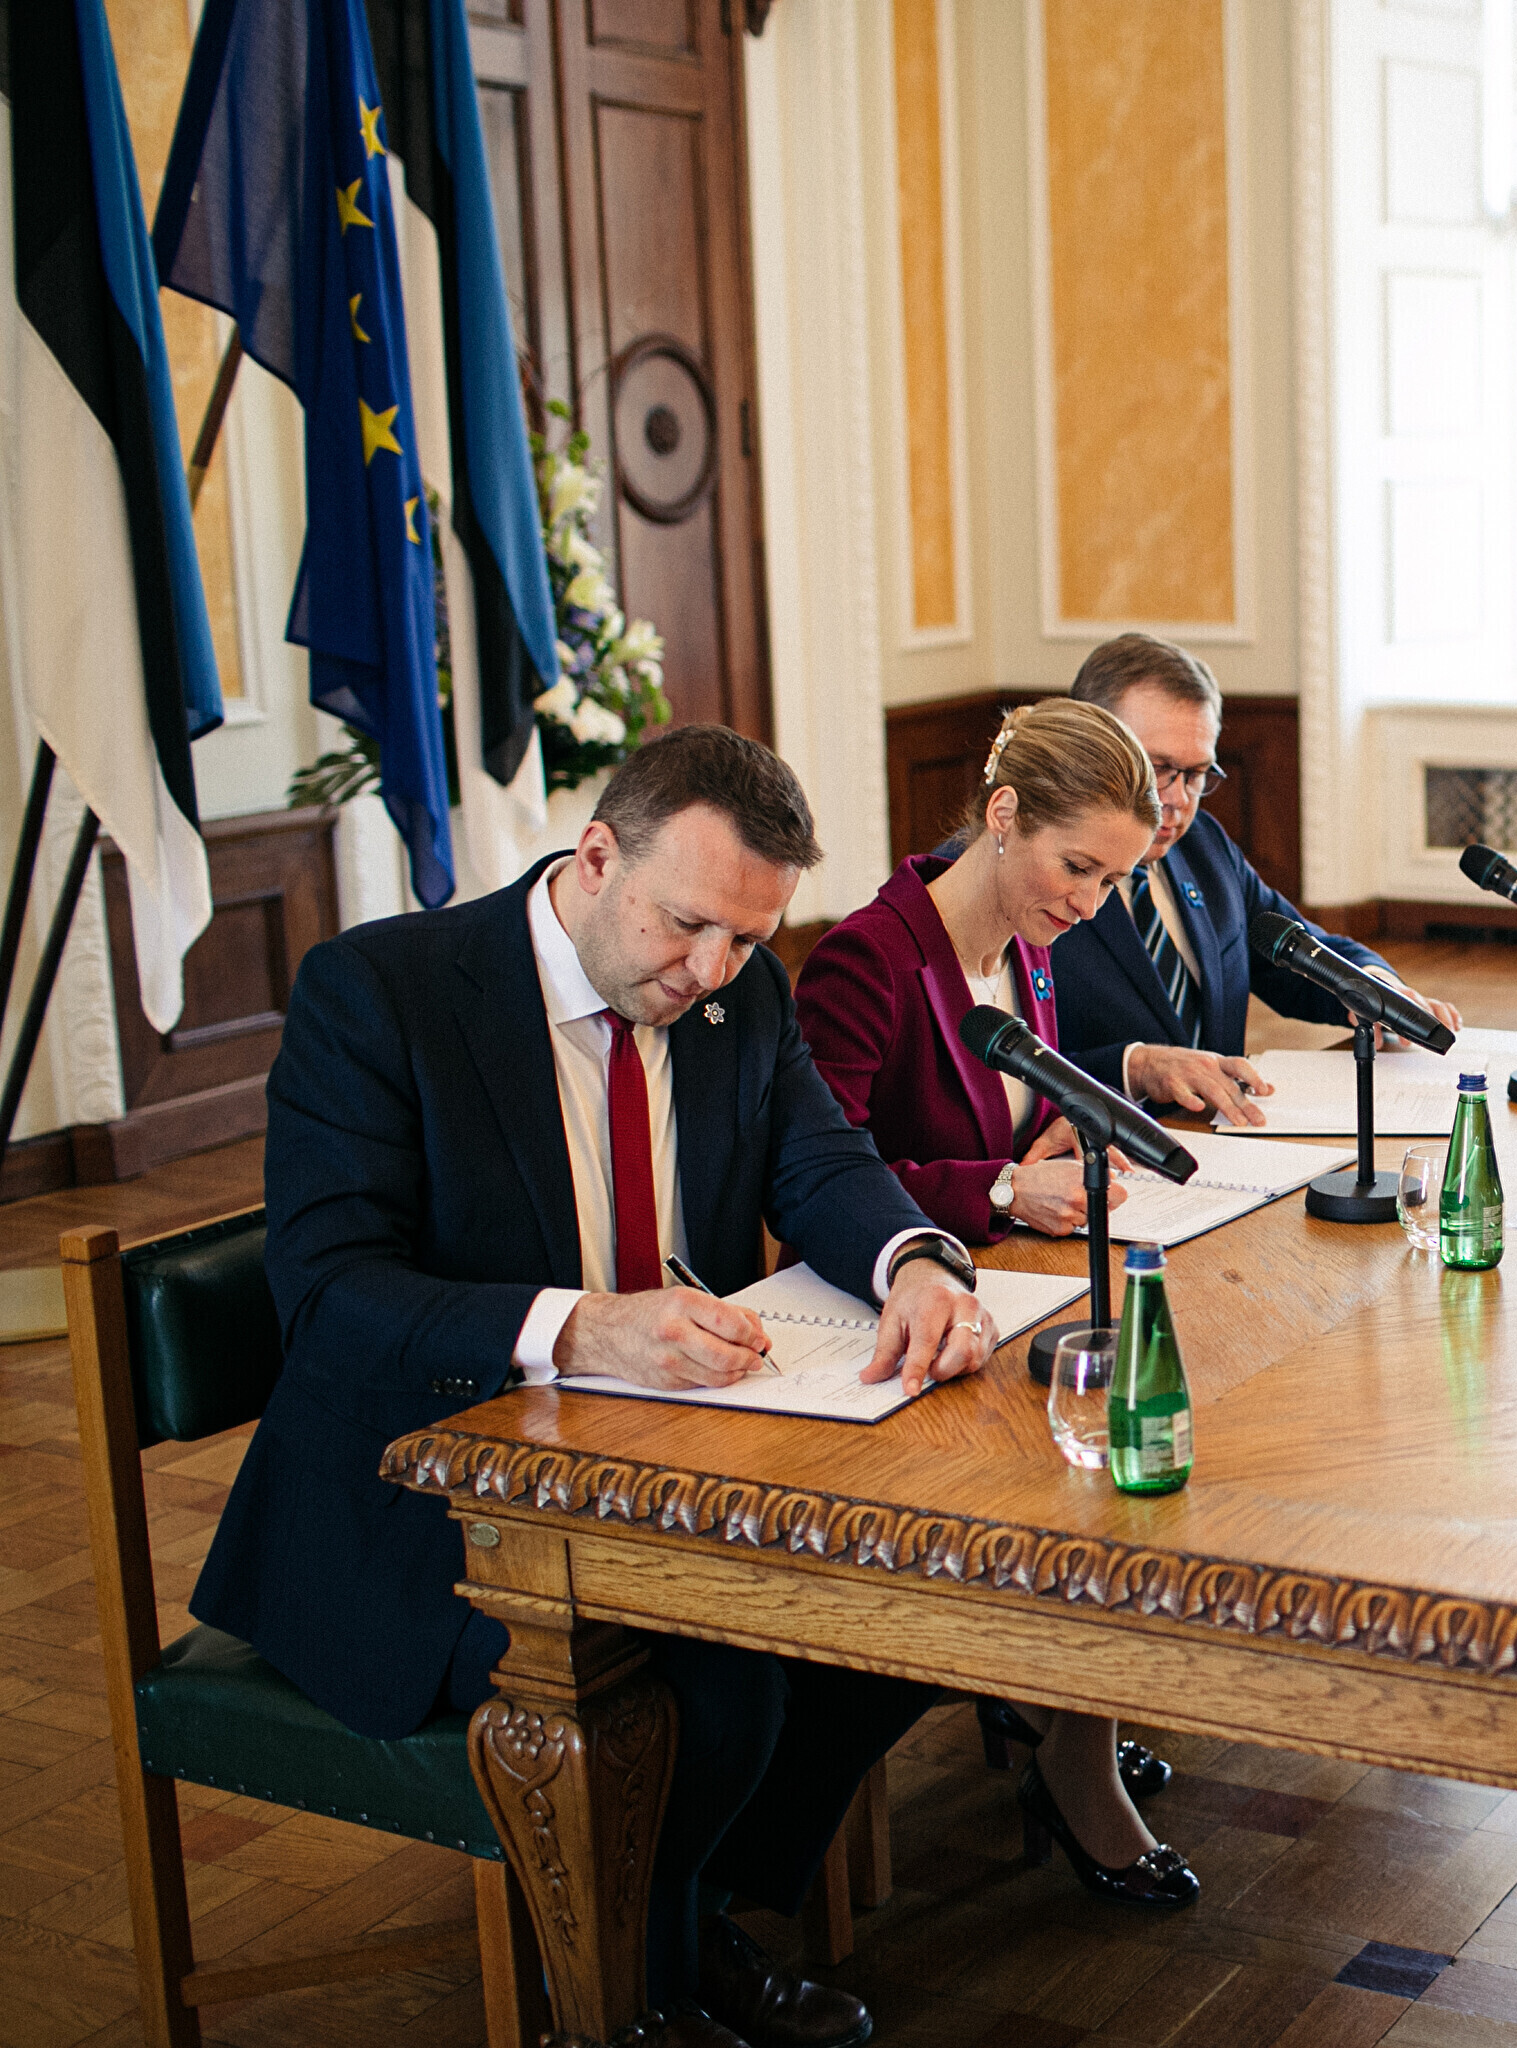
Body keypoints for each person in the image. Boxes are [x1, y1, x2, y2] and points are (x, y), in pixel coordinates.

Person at [193, 726, 994, 2048]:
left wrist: (913, 1260)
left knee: (902, 1616)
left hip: (663, 1463)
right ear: (597, 855)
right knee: (717, 1679)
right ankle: (628, 2000)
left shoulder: (740, 993)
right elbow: (329, 1297)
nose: (712, 970)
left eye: (747, 937)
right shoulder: (381, 992)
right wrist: (581, 1329)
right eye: (688, 926)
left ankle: (682, 1923)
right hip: (426, 1497)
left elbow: (820, 1162)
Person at [793, 700, 1198, 1909]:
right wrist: (1005, 1185)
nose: (1092, 903)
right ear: (1004, 813)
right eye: (1079, 867)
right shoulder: (868, 957)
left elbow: (1007, 1105)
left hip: (1004, 1289)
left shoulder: (1029, 941)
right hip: (890, 1328)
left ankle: (1070, 1706)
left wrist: (1060, 1134)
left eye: (1114, 879)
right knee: (1099, 1460)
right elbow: (821, 1174)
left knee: (1137, 1421)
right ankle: (1070, 1746)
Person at [1047, 633, 1463, 1125]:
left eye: (1197, 774)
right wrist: (1134, 1068)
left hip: (1231, 1140)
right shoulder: (1037, 877)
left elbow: (1295, 953)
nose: (1178, 799)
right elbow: (1005, 1071)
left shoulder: (1202, 845)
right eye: (1158, 768)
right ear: (1090, 748)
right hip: (1100, 1149)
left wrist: (1372, 984)